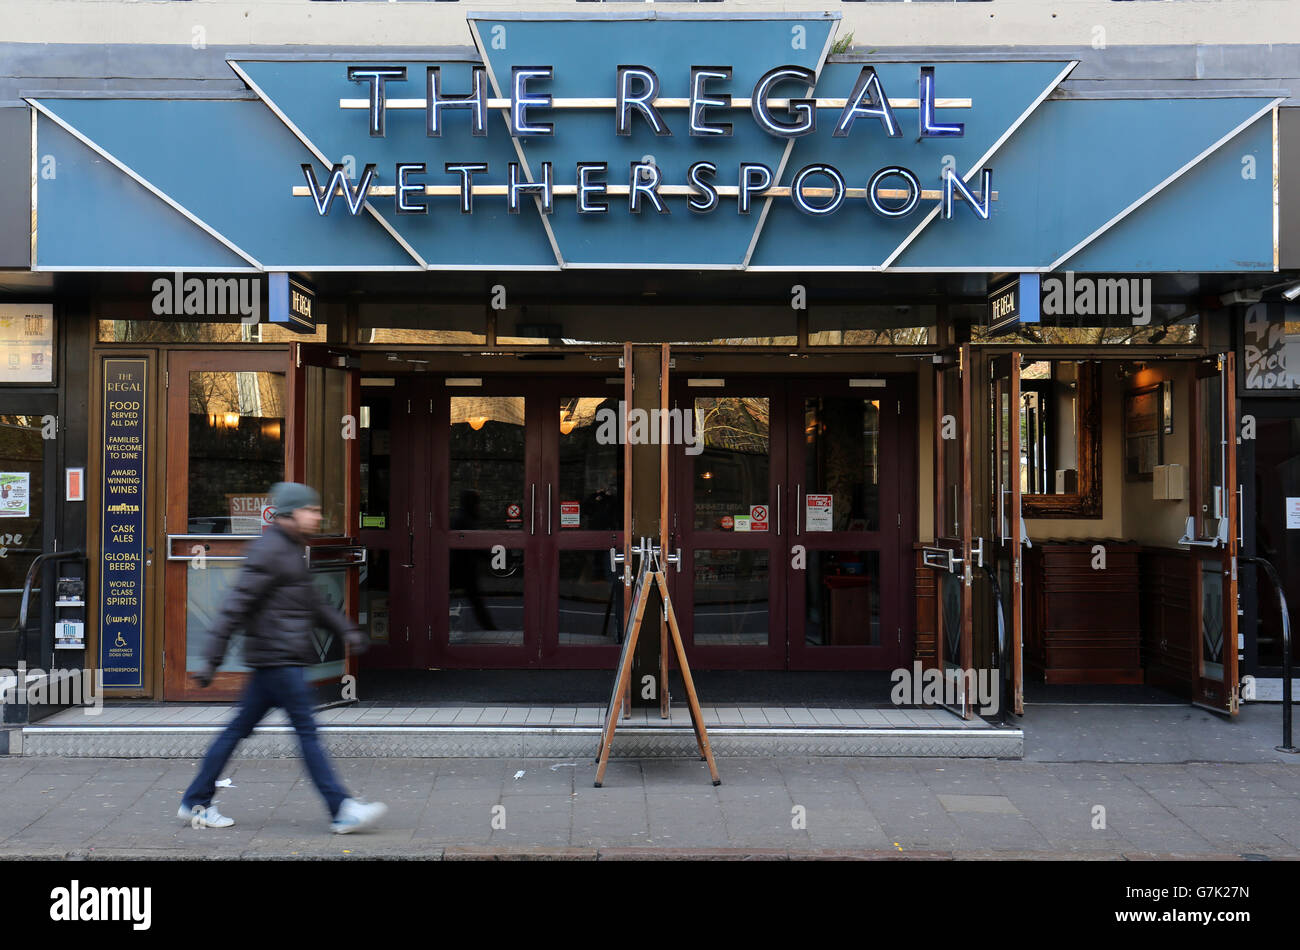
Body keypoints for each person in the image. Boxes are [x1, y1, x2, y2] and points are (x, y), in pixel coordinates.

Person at [178, 482, 387, 834]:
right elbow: (235, 606)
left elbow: (313, 603)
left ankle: (195, 801)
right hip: (279, 660)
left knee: (237, 731)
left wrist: (345, 630)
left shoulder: (288, 548)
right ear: (291, 513)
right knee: (306, 733)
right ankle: (341, 809)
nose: (318, 515)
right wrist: (212, 658)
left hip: (274, 661)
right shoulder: (272, 551)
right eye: (311, 510)